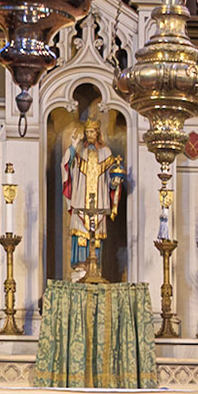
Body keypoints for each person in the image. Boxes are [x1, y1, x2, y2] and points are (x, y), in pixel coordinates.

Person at [60, 115, 126, 278]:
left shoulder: (106, 152)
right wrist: (73, 146)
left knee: (96, 237)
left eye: (93, 132)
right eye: (87, 132)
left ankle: (96, 268)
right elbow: (66, 167)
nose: (90, 135)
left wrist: (115, 183)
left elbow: (111, 180)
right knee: (81, 235)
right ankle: (80, 269)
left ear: (98, 133)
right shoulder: (79, 151)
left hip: (99, 202)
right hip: (81, 200)